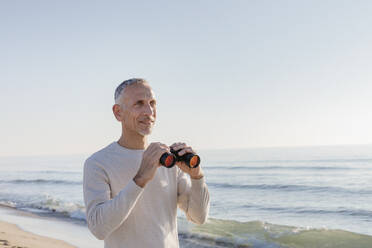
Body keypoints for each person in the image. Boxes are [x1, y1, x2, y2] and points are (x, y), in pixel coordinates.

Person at [83, 78, 210, 248]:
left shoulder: (168, 160)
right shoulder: (98, 163)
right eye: (139, 103)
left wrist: (197, 177)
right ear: (118, 112)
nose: (149, 111)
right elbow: (98, 228)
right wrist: (140, 179)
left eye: (152, 103)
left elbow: (199, 217)